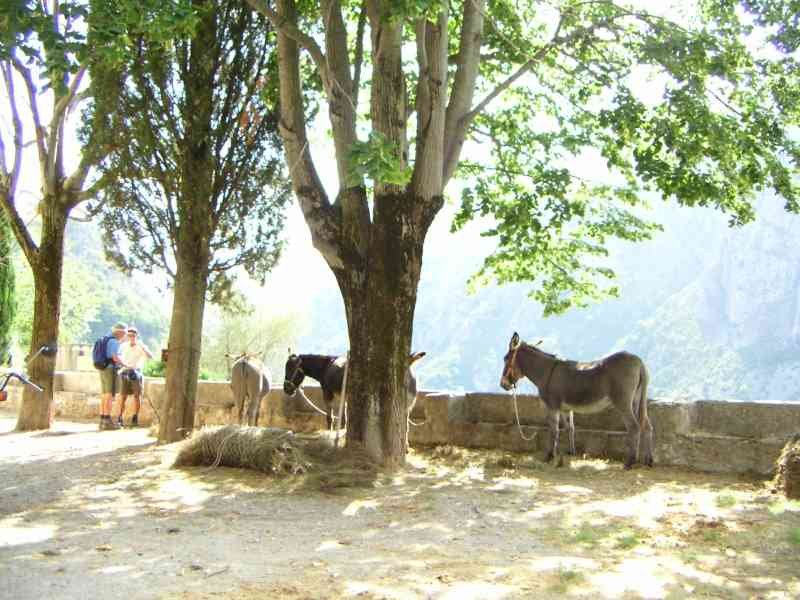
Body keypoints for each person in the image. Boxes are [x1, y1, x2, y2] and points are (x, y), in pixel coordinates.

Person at [115, 325, 153, 427]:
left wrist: (143, 347)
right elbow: (117, 356)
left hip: (136, 372)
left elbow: (150, 356)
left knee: (137, 396)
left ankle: (135, 417)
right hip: (125, 372)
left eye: (133, 335)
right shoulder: (123, 346)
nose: (131, 337)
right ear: (127, 336)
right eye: (129, 335)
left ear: (136, 336)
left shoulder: (141, 346)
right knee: (123, 396)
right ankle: (119, 417)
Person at [99, 322, 128, 430]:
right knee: (109, 395)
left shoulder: (105, 338)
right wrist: (125, 365)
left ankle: (102, 419)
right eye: (124, 333)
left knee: (104, 394)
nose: (124, 336)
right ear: (119, 332)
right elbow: (115, 357)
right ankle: (107, 420)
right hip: (110, 369)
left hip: (102, 368)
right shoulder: (114, 341)